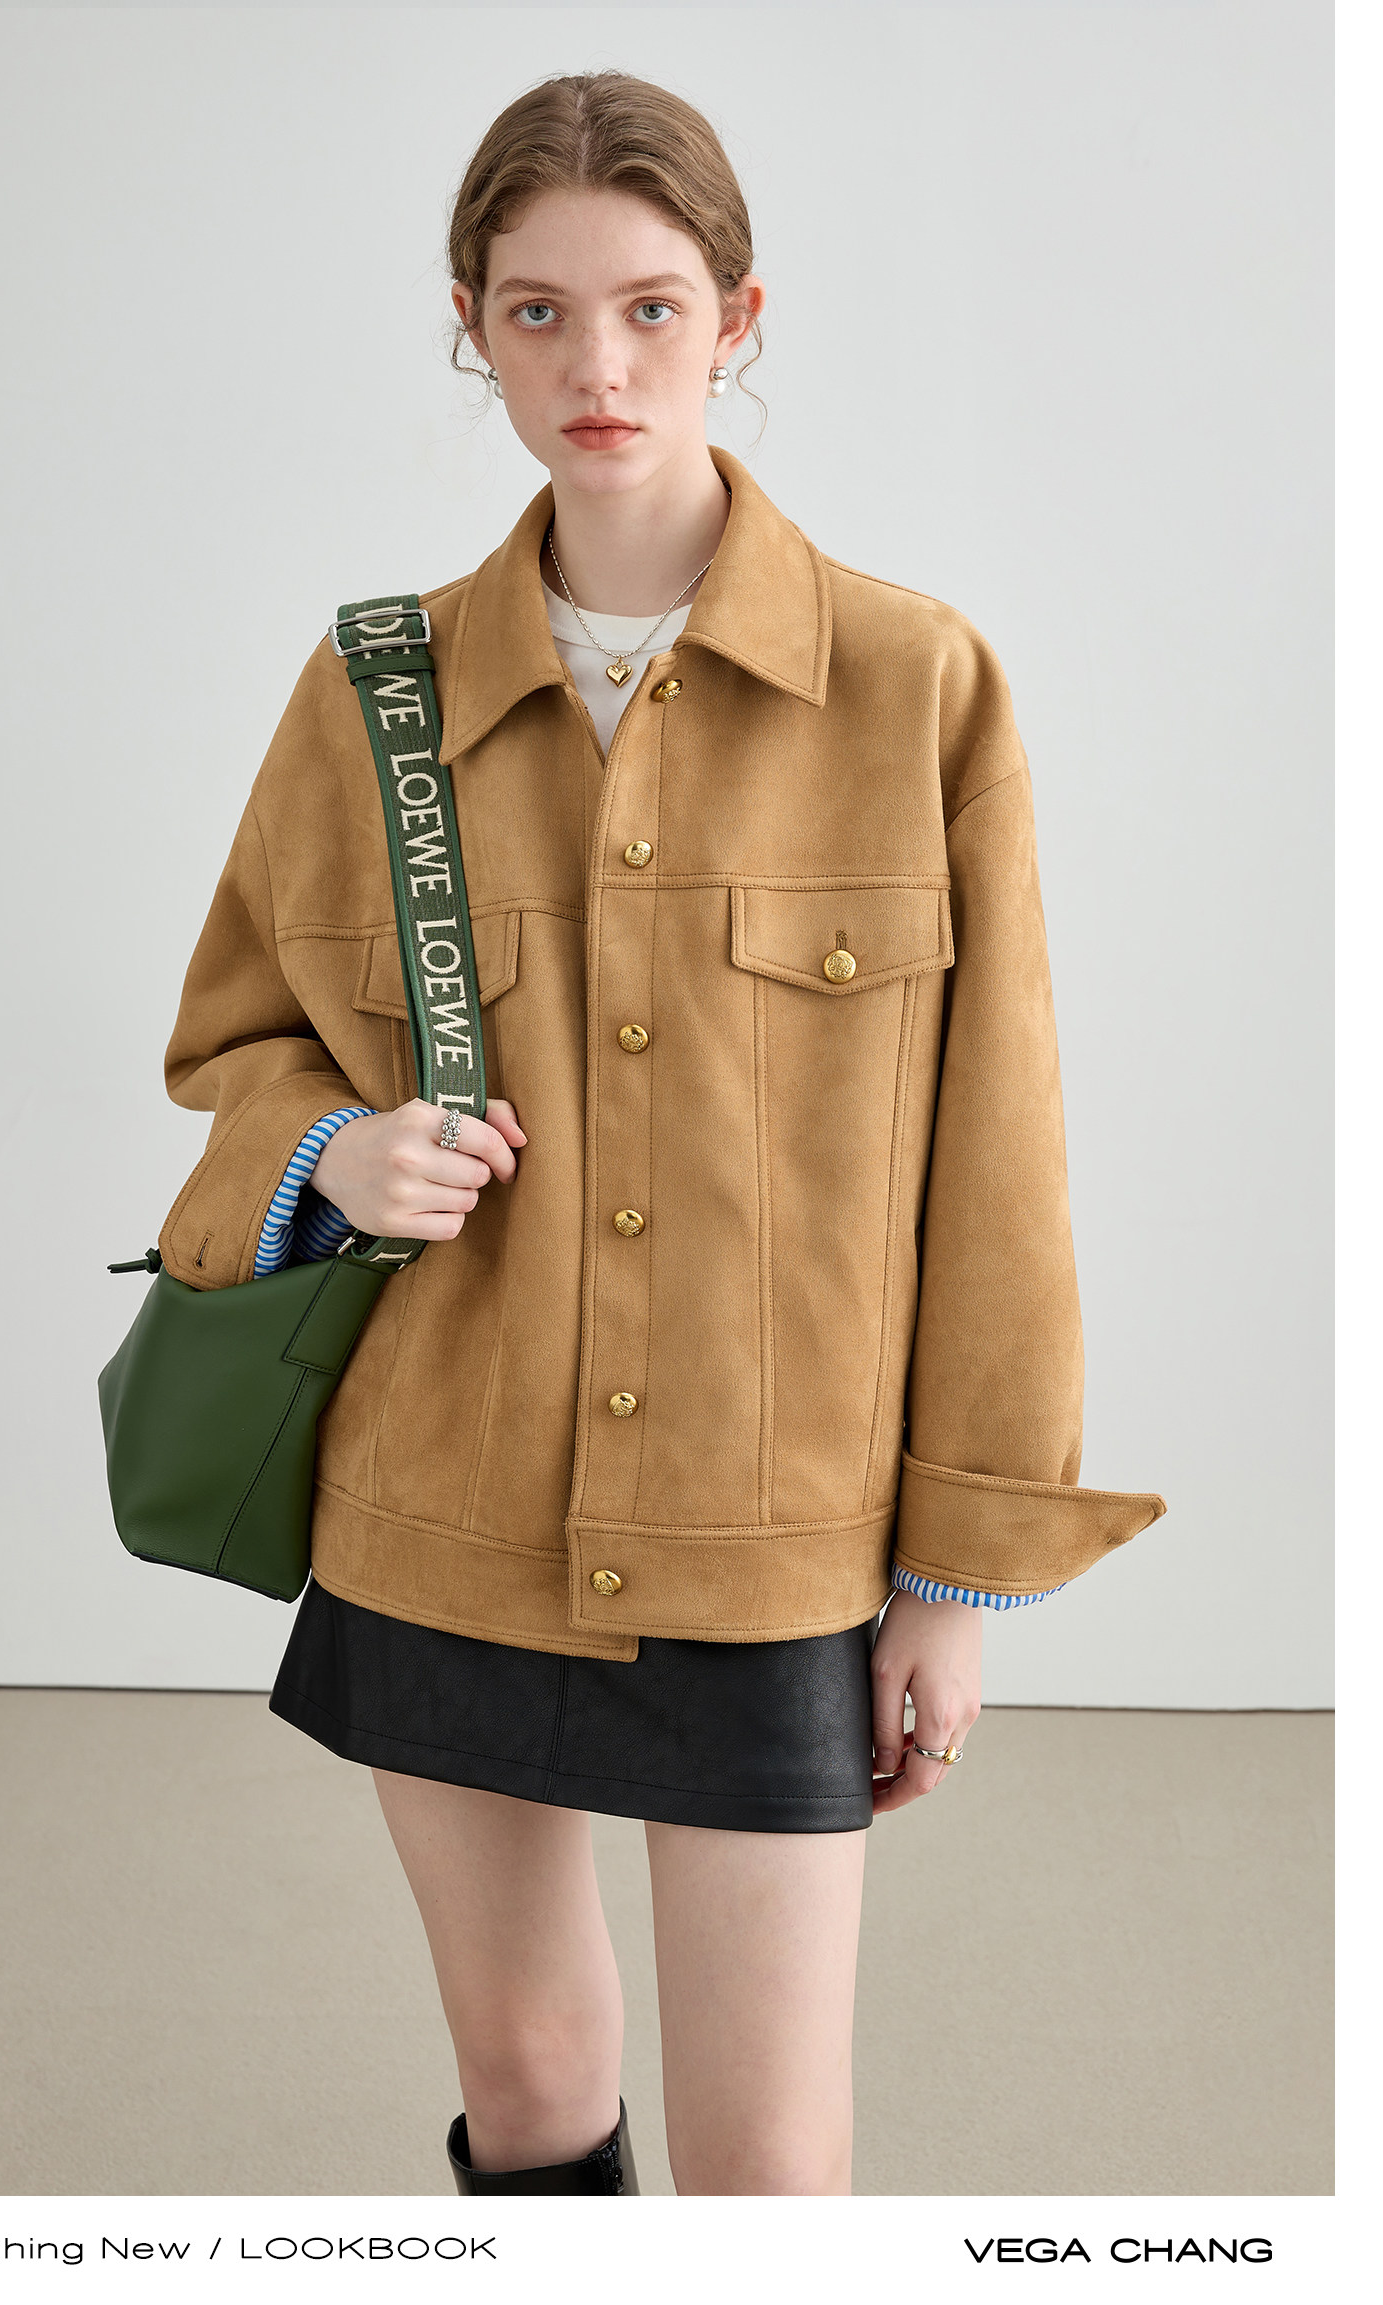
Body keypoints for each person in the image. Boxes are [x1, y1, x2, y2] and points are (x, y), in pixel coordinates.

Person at [156, 71, 1164, 2197]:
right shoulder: (373, 695)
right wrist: (330, 1155)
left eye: (648, 307)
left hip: (769, 1531)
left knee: (767, 2164)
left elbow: (998, 1161)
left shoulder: (913, 686)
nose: (593, 366)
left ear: (738, 317)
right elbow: (234, 1045)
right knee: (529, 2093)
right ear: (469, 322)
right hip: (439, 1509)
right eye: (534, 311)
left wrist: (953, 1577)